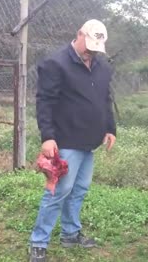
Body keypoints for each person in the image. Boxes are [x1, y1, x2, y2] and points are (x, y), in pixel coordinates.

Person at [29, 19, 117, 262]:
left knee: (79, 190)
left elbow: (105, 100)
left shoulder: (102, 67)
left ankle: (70, 234)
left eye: (96, 48)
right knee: (59, 191)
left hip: (90, 141)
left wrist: (110, 129)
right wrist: (47, 137)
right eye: (88, 45)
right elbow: (45, 101)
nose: (91, 51)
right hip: (65, 139)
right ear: (79, 34)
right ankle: (38, 242)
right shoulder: (55, 64)